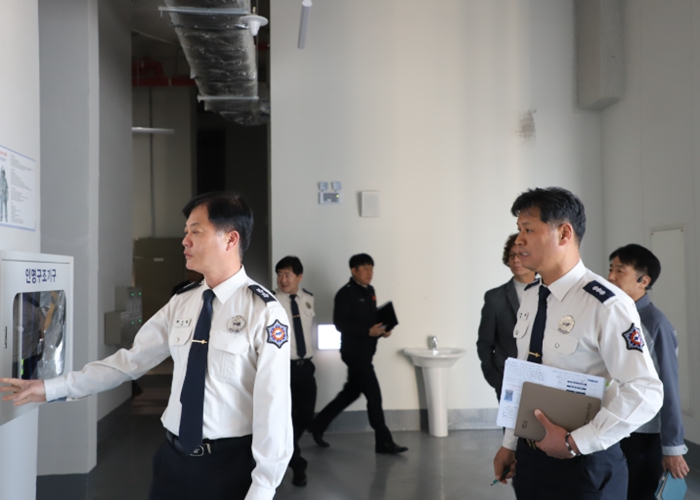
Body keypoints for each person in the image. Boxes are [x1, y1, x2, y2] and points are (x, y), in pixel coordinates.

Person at [0, 192, 293, 500]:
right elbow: (128, 362)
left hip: (229, 467)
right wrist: (52, 388)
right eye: (186, 232)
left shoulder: (264, 312)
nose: (185, 241)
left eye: (195, 231)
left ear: (231, 239)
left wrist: (262, 488)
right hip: (172, 461)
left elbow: (273, 407)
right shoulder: (183, 302)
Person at [492, 187, 663, 500]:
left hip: (585, 463)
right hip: (531, 460)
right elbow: (526, 378)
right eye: (519, 230)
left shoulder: (606, 304)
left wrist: (575, 443)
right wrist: (510, 444)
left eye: (528, 230)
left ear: (564, 233)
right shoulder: (532, 296)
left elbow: (645, 391)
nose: (518, 241)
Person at [608, 243, 689, 498]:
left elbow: (668, 387)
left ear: (643, 281)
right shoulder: (613, 316)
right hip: (612, 426)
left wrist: (673, 447)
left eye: (619, 271)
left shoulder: (656, 326)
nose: (610, 277)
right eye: (610, 269)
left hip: (642, 435)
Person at [307, 253, 407, 454]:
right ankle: (384, 441)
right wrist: (368, 331)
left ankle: (317, 425)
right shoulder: (345, 294)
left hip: (367, 351)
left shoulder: (370, 291)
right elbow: (340, 324)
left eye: (371, 269)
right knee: (374, 395)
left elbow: (370, 320)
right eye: (365, 269)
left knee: (351, 392)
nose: (369, 273)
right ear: (353, 271)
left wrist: (383, 330)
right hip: (354, 353)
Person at [273, 256, 317, 487]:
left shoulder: (308, 299)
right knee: (285, 418)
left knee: (307, 414)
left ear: (299, 277)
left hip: (305, 367)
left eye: (288, 274)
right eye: (279, 274)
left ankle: (287, 450)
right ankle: (297, 465)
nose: (283, 279)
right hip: (282, 368)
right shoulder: (269, 301)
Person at [476, 233, 536, 400]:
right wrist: (495, 379)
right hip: (508, 379)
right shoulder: (495, 297)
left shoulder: (549, 293)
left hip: (543, 377)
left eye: (521, 254)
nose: (516, 260)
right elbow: (484, 343)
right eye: (511, 255)